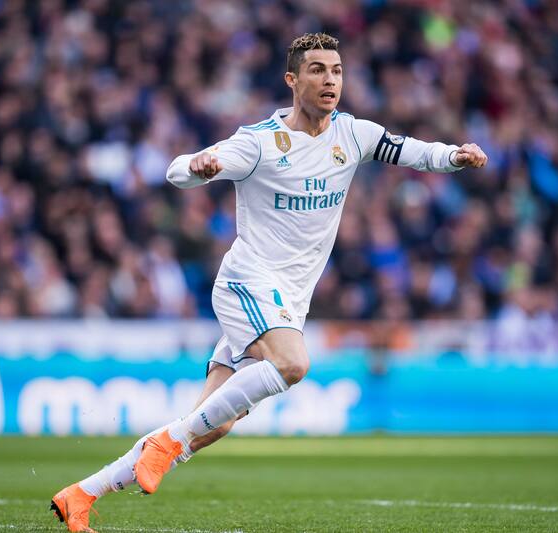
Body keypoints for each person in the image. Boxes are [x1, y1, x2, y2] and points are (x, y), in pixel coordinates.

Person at [50, 32, 487, 532]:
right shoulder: (259, 142)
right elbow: (175, 171)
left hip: (287, 301)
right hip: (247, 283)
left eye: (337, 70)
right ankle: (167, 443)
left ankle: (82, 494)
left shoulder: (354, 135)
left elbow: (413, 151)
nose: (330, 80)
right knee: (293, 363)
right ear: (292, 80)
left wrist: (455, 156)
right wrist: (197, 168)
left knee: (214, 422)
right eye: (317, 70)